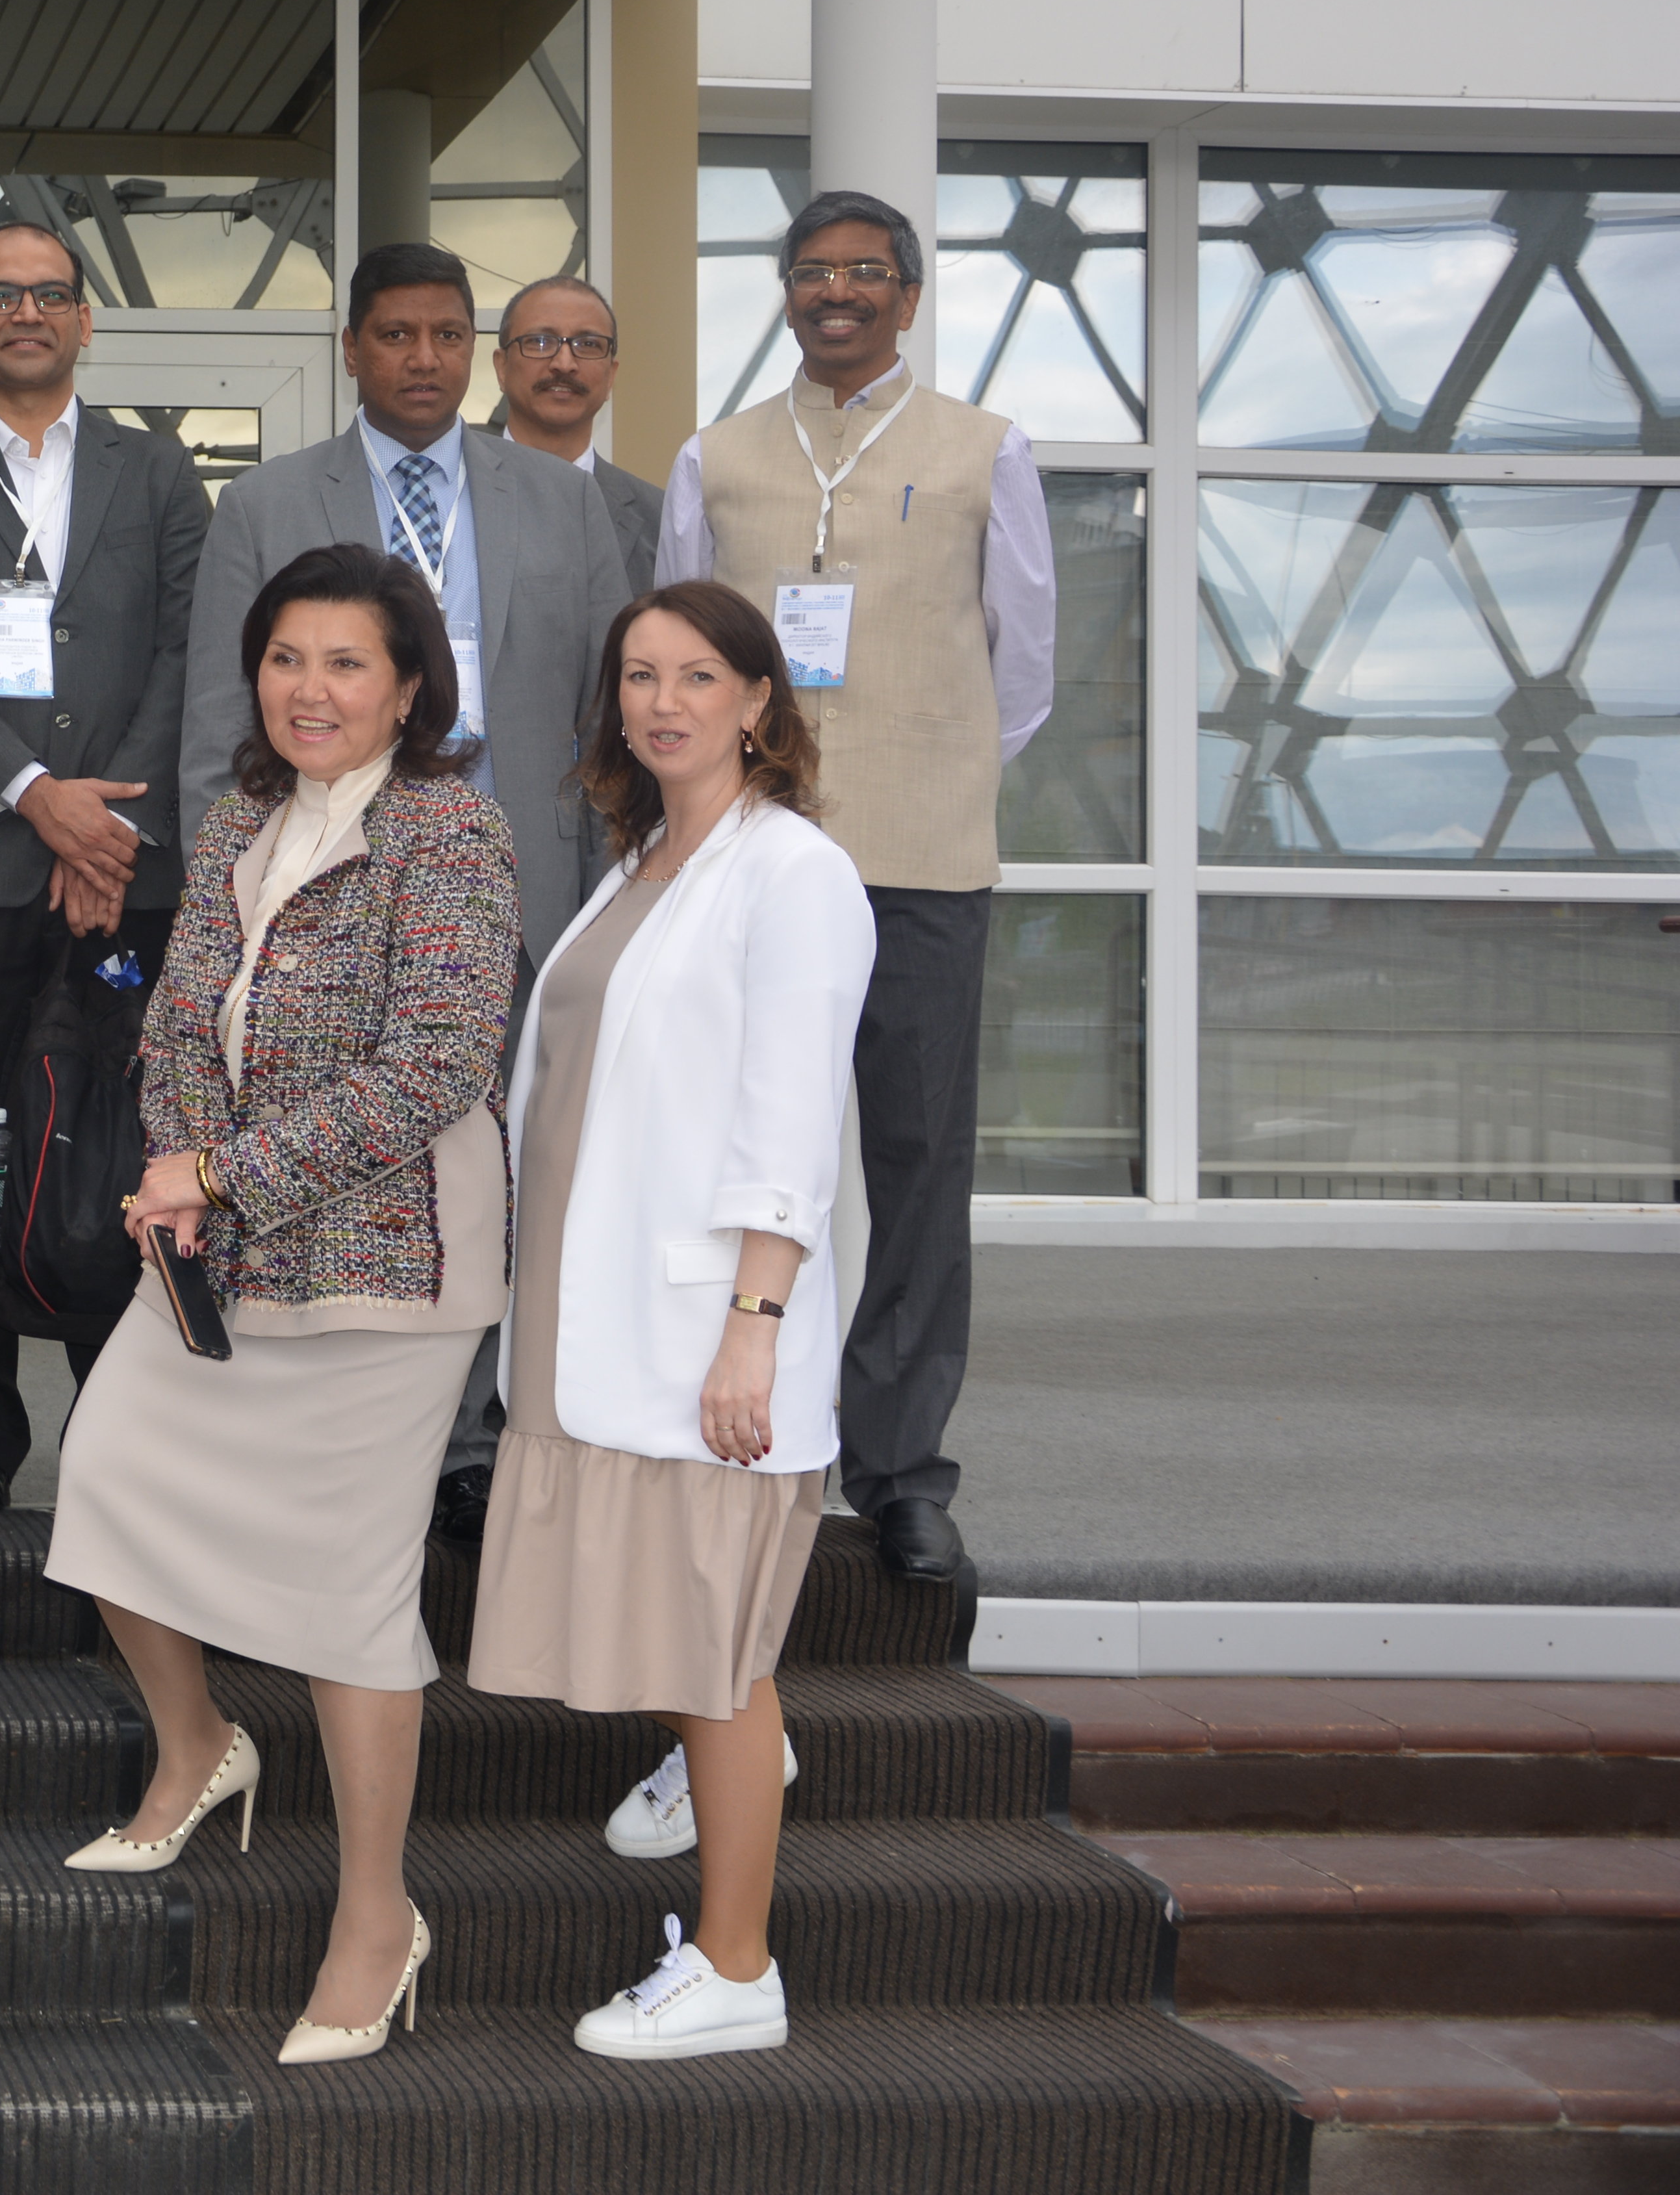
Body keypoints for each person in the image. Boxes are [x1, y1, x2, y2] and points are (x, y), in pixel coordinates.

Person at [47, 542, 518, 2069]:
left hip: (390, 1267)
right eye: (285, 657)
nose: (310, 688)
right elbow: (184, 1014)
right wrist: (182, 1163)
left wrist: (219, 1171)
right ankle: (199, 1744)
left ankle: (378, 1915)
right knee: (105, 1478)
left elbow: (439, 1062)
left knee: (350, 1596)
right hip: (224, 1254)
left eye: (346, 662)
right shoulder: (244, 815)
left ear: (410, 685)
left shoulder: (452, 829)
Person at [466, 579, 875, 2062]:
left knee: (714, 1655)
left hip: (708, 1329)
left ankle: (737, 1964)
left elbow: (790, 1121)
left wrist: (754, 1325)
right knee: (681, 1634)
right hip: (600, 1319)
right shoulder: (643, 860)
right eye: (640, 676)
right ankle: (717, 1764)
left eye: (700, 675)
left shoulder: (794, 873)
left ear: (760, 700)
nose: (664, 702)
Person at [181, 240, 635, 1547]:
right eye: (396, 334)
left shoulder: (561, 503)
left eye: (446, 334)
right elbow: (221, 717)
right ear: (353, 350)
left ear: (473, 349)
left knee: (512, 1163)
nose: (423, 358)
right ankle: (332, 1426)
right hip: (334, 880)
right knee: (342, 1151)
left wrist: (619, 883)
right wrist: (231, 896)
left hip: (532, 881)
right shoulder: (267, 501)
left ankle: (481, 1439)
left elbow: (611, 712)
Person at [657, 188, 1055, 1587]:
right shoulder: (716, 457)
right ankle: (715, 1430)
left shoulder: (986, 450)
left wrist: (923, 765)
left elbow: (1023, 667)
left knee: (916, 1165)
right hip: (748, 859)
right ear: (785, 291)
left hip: (922, 862)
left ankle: (900, 1471)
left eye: (865, 271)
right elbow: (677, 655)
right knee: (727, 1148)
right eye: (814, 270)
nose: (838, 291)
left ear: (909, 295)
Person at [0, 218, 205, 1515]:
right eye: (0, 295)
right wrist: (34, 796)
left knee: (120, 1158)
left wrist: (107, 831)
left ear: (83, 320)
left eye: (50, 292)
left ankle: (122, 1451)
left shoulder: (158, 471)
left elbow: (188, 651)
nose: (26, 312)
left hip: (127, 882)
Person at [492, 276, 660, 588]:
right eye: (540, 342)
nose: (564, 363)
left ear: (611, 377)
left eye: (588, 345)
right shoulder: (454, 493)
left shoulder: (659, 518)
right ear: (502, 368)